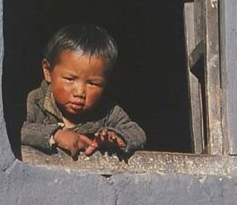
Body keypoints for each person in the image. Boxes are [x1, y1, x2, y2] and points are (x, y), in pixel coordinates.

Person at [22, 24, 146, 158]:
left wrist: (116, 137)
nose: (80, 92)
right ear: (48, 71)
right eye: (70, 79)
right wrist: (56, 135)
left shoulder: (108, 112)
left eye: (93, 83)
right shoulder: (35, 101)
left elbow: (137, 133)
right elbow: (16, 130)